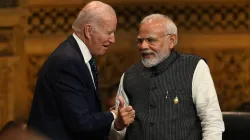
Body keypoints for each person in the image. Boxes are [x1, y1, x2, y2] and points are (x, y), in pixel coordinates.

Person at [28, 1, 134, 140]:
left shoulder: (78, 55)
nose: (113, 39)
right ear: (88, 31)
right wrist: (114, 115)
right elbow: (81, 122)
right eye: (109, 32)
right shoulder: (67, 61)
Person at [110, 14, 225, 140]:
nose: (143, 46)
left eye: (151, 40)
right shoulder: (129, 76)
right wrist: (118, 125)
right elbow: (116, 136)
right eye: (140, 41)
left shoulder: (194, 67)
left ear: (171, 41)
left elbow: (212, 122)